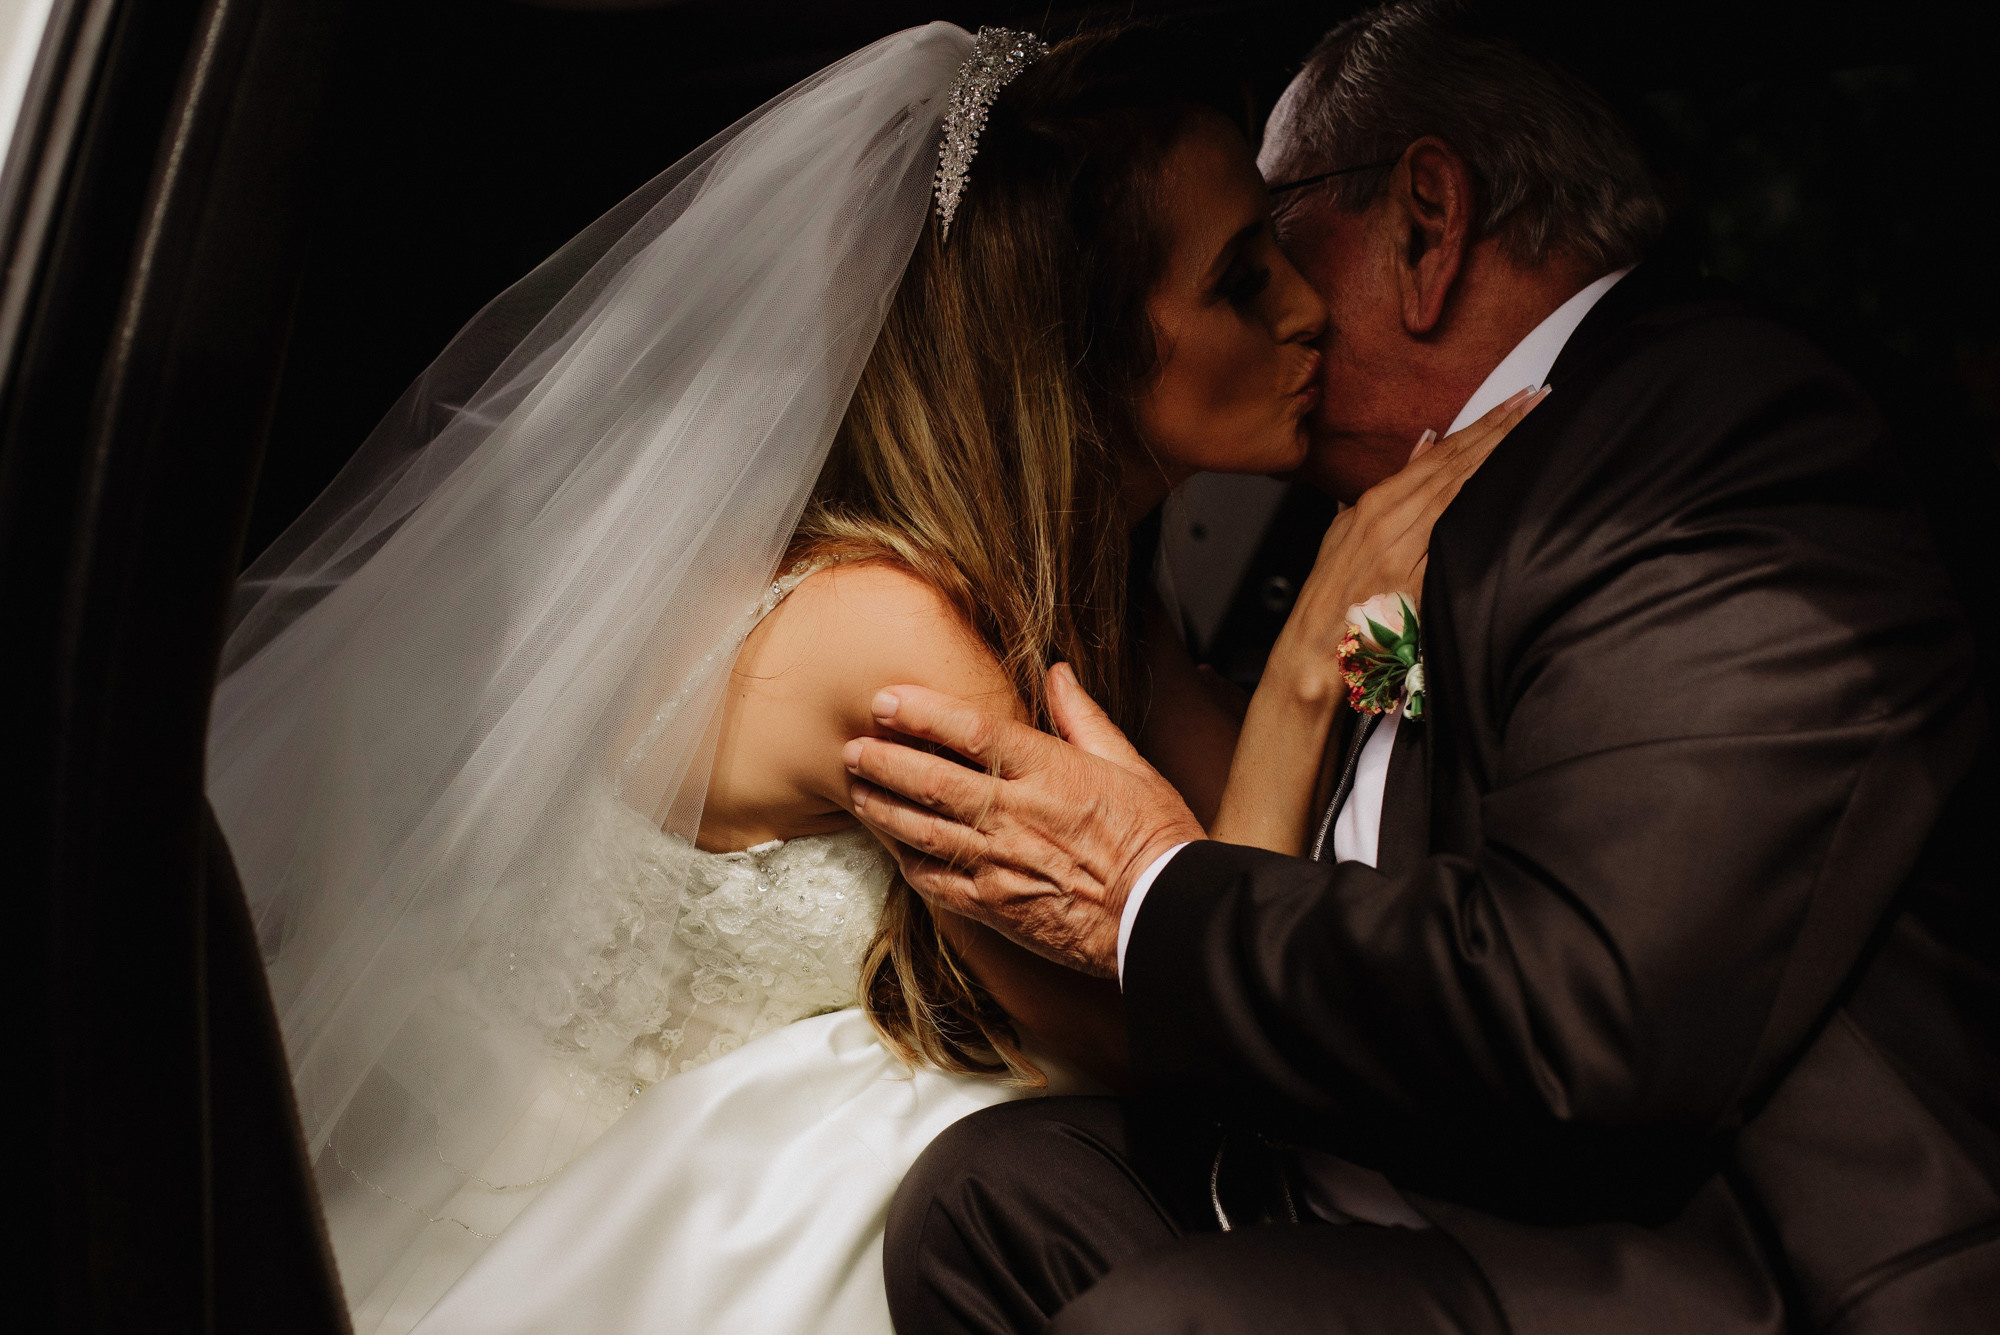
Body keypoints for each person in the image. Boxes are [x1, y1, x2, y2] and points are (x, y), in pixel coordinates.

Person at [206, 20, 1536, 1335]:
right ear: (1073, 342)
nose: (1306, 306)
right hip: (635, 1221)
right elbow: (1203, 1046)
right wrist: (1308, 663)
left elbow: (1258, 904)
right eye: (1241, 280)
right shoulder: (889, 633)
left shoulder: (1097, 592)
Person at [852, 5, 1998, 1333]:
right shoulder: (1402, 508)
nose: (1279, 307)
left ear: (1424, 226)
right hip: (1420, 1179)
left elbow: (1590, 1011)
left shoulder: (1707, 439)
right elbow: (1382, 811)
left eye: (1279, 240)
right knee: (987, 1201)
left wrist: (1145, 893)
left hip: (1707, 1261)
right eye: (1241, 273)